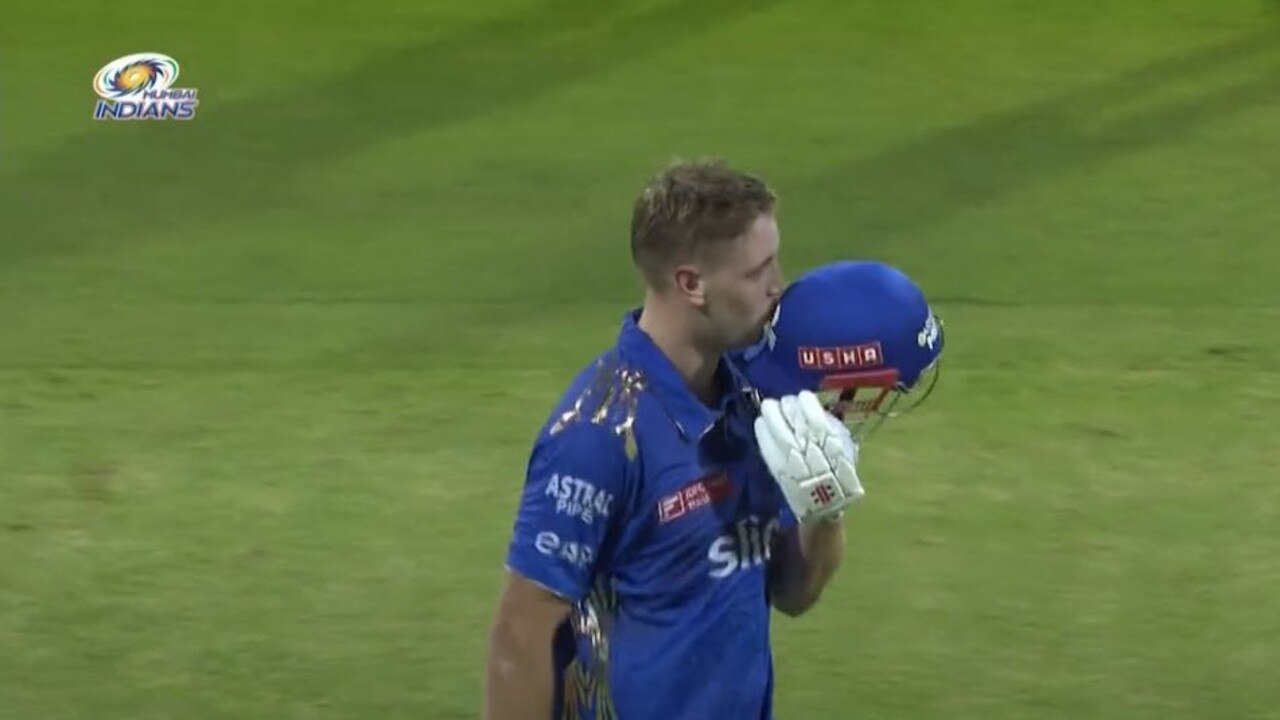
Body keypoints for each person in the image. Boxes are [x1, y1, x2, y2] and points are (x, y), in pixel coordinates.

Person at [482, 158, 851, 720]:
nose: (780, 288)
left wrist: (825, 511)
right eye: (758, 272)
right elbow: (519, 638)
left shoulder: (754, 403)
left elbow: (792, 593)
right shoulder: (599, 436)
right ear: (691, 284)